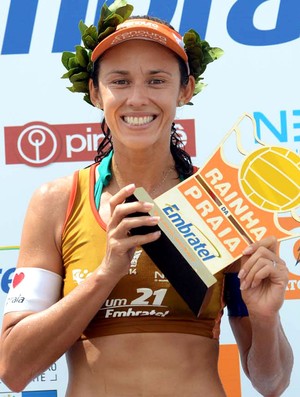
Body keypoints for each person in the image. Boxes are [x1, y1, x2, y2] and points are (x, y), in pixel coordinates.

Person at [0, 1, 293, 396]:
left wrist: (264, 317)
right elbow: (13, 369)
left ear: (184, 90)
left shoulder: (223, 204)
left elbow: (271, 384)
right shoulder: (58, 200)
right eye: (119, 81)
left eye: (157, 80)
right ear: (95, 93)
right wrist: (105, 275)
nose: (137, 98)